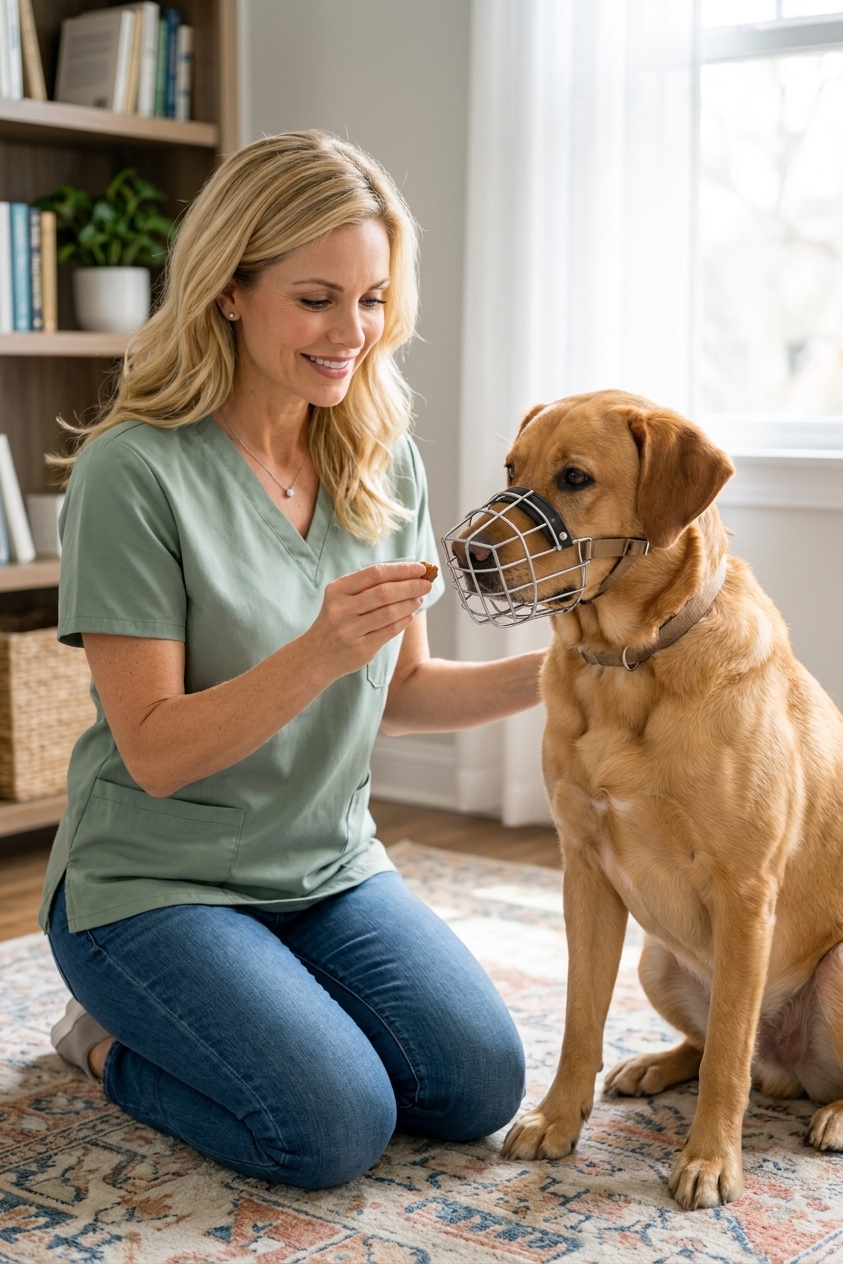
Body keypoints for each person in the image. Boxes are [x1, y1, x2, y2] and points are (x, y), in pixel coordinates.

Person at [42, 131, 544, 1191]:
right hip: (152, 883)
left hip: (326, 868)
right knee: (329, 1127)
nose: (351, 332)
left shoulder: (380, 455)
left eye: (371, 299)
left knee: (479, 1085)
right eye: (316, 298)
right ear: (230, 289)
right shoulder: (133, 472)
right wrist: (319, 652)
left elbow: (402, 691)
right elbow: (156, 753)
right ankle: (102, 1039)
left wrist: (574, 669)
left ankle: (266, 992)